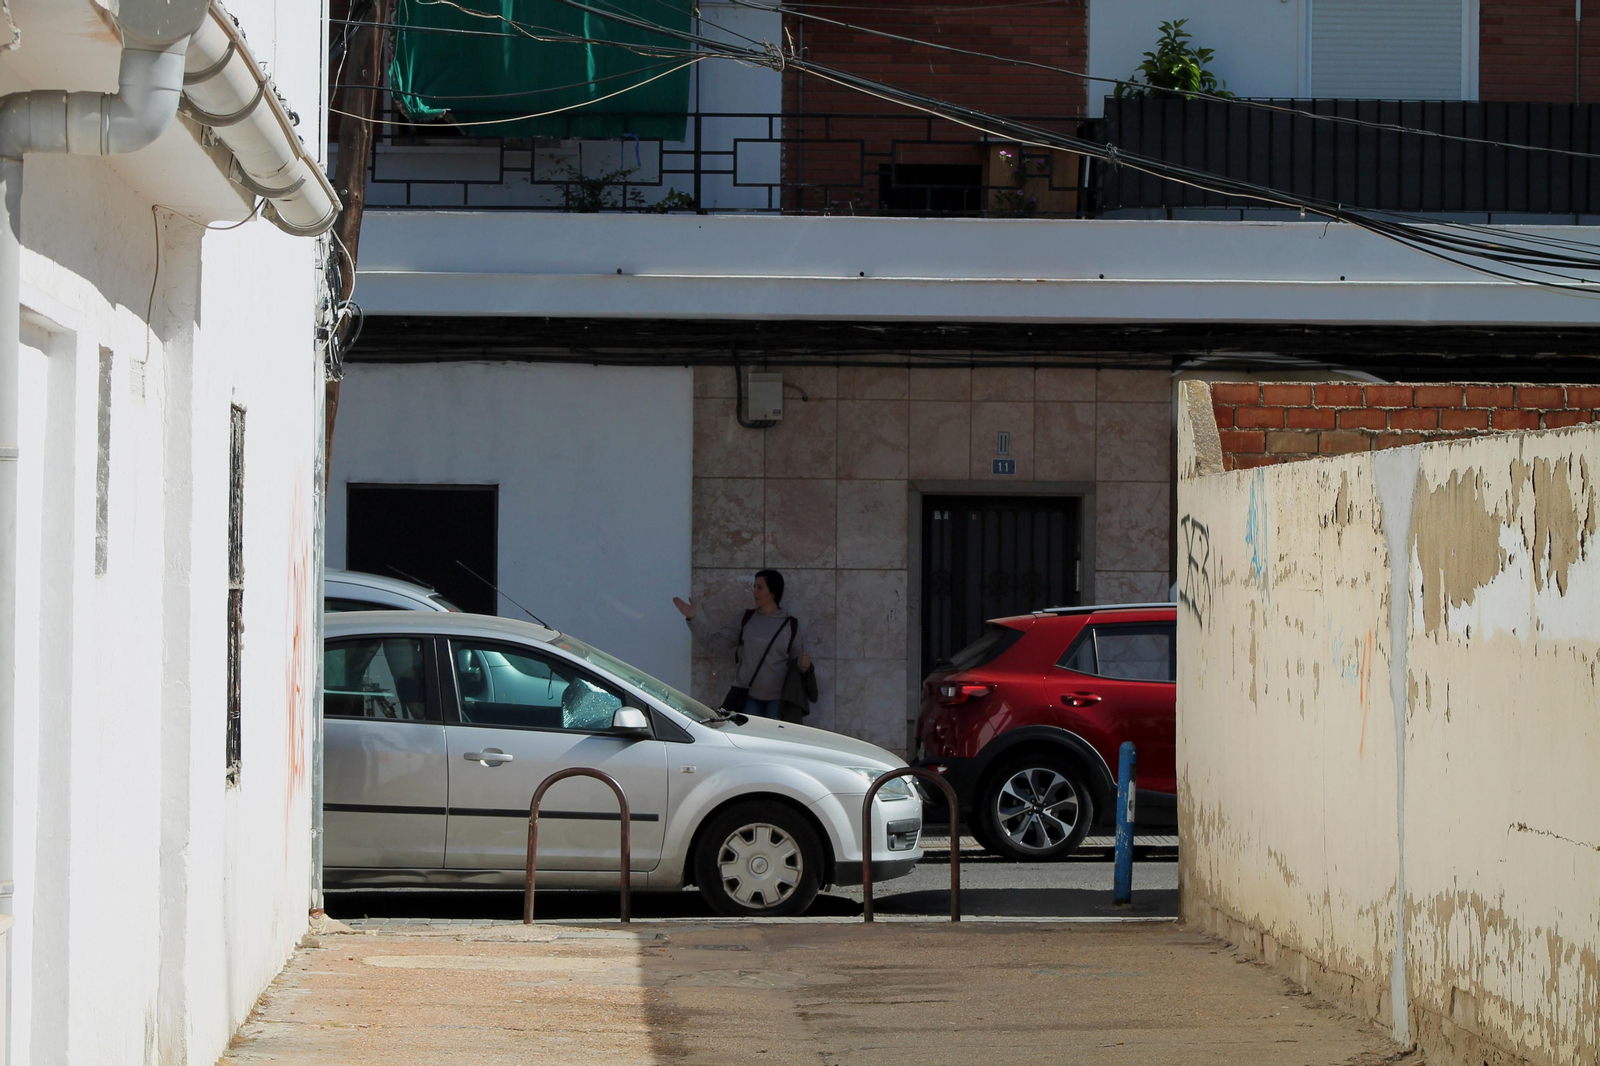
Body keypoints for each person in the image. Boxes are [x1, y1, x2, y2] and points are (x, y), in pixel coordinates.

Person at [674, 569, 811, 719]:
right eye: (754, 586)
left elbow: (796, 662)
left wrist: (803, 665)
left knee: (773, 741)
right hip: (749, 697)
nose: (754, 592)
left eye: (760, 587)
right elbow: (713, 643)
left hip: (778, 700)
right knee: (747, 740)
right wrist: (692, 618)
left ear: (773, 592)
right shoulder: (746, 619)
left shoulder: (790, 624)